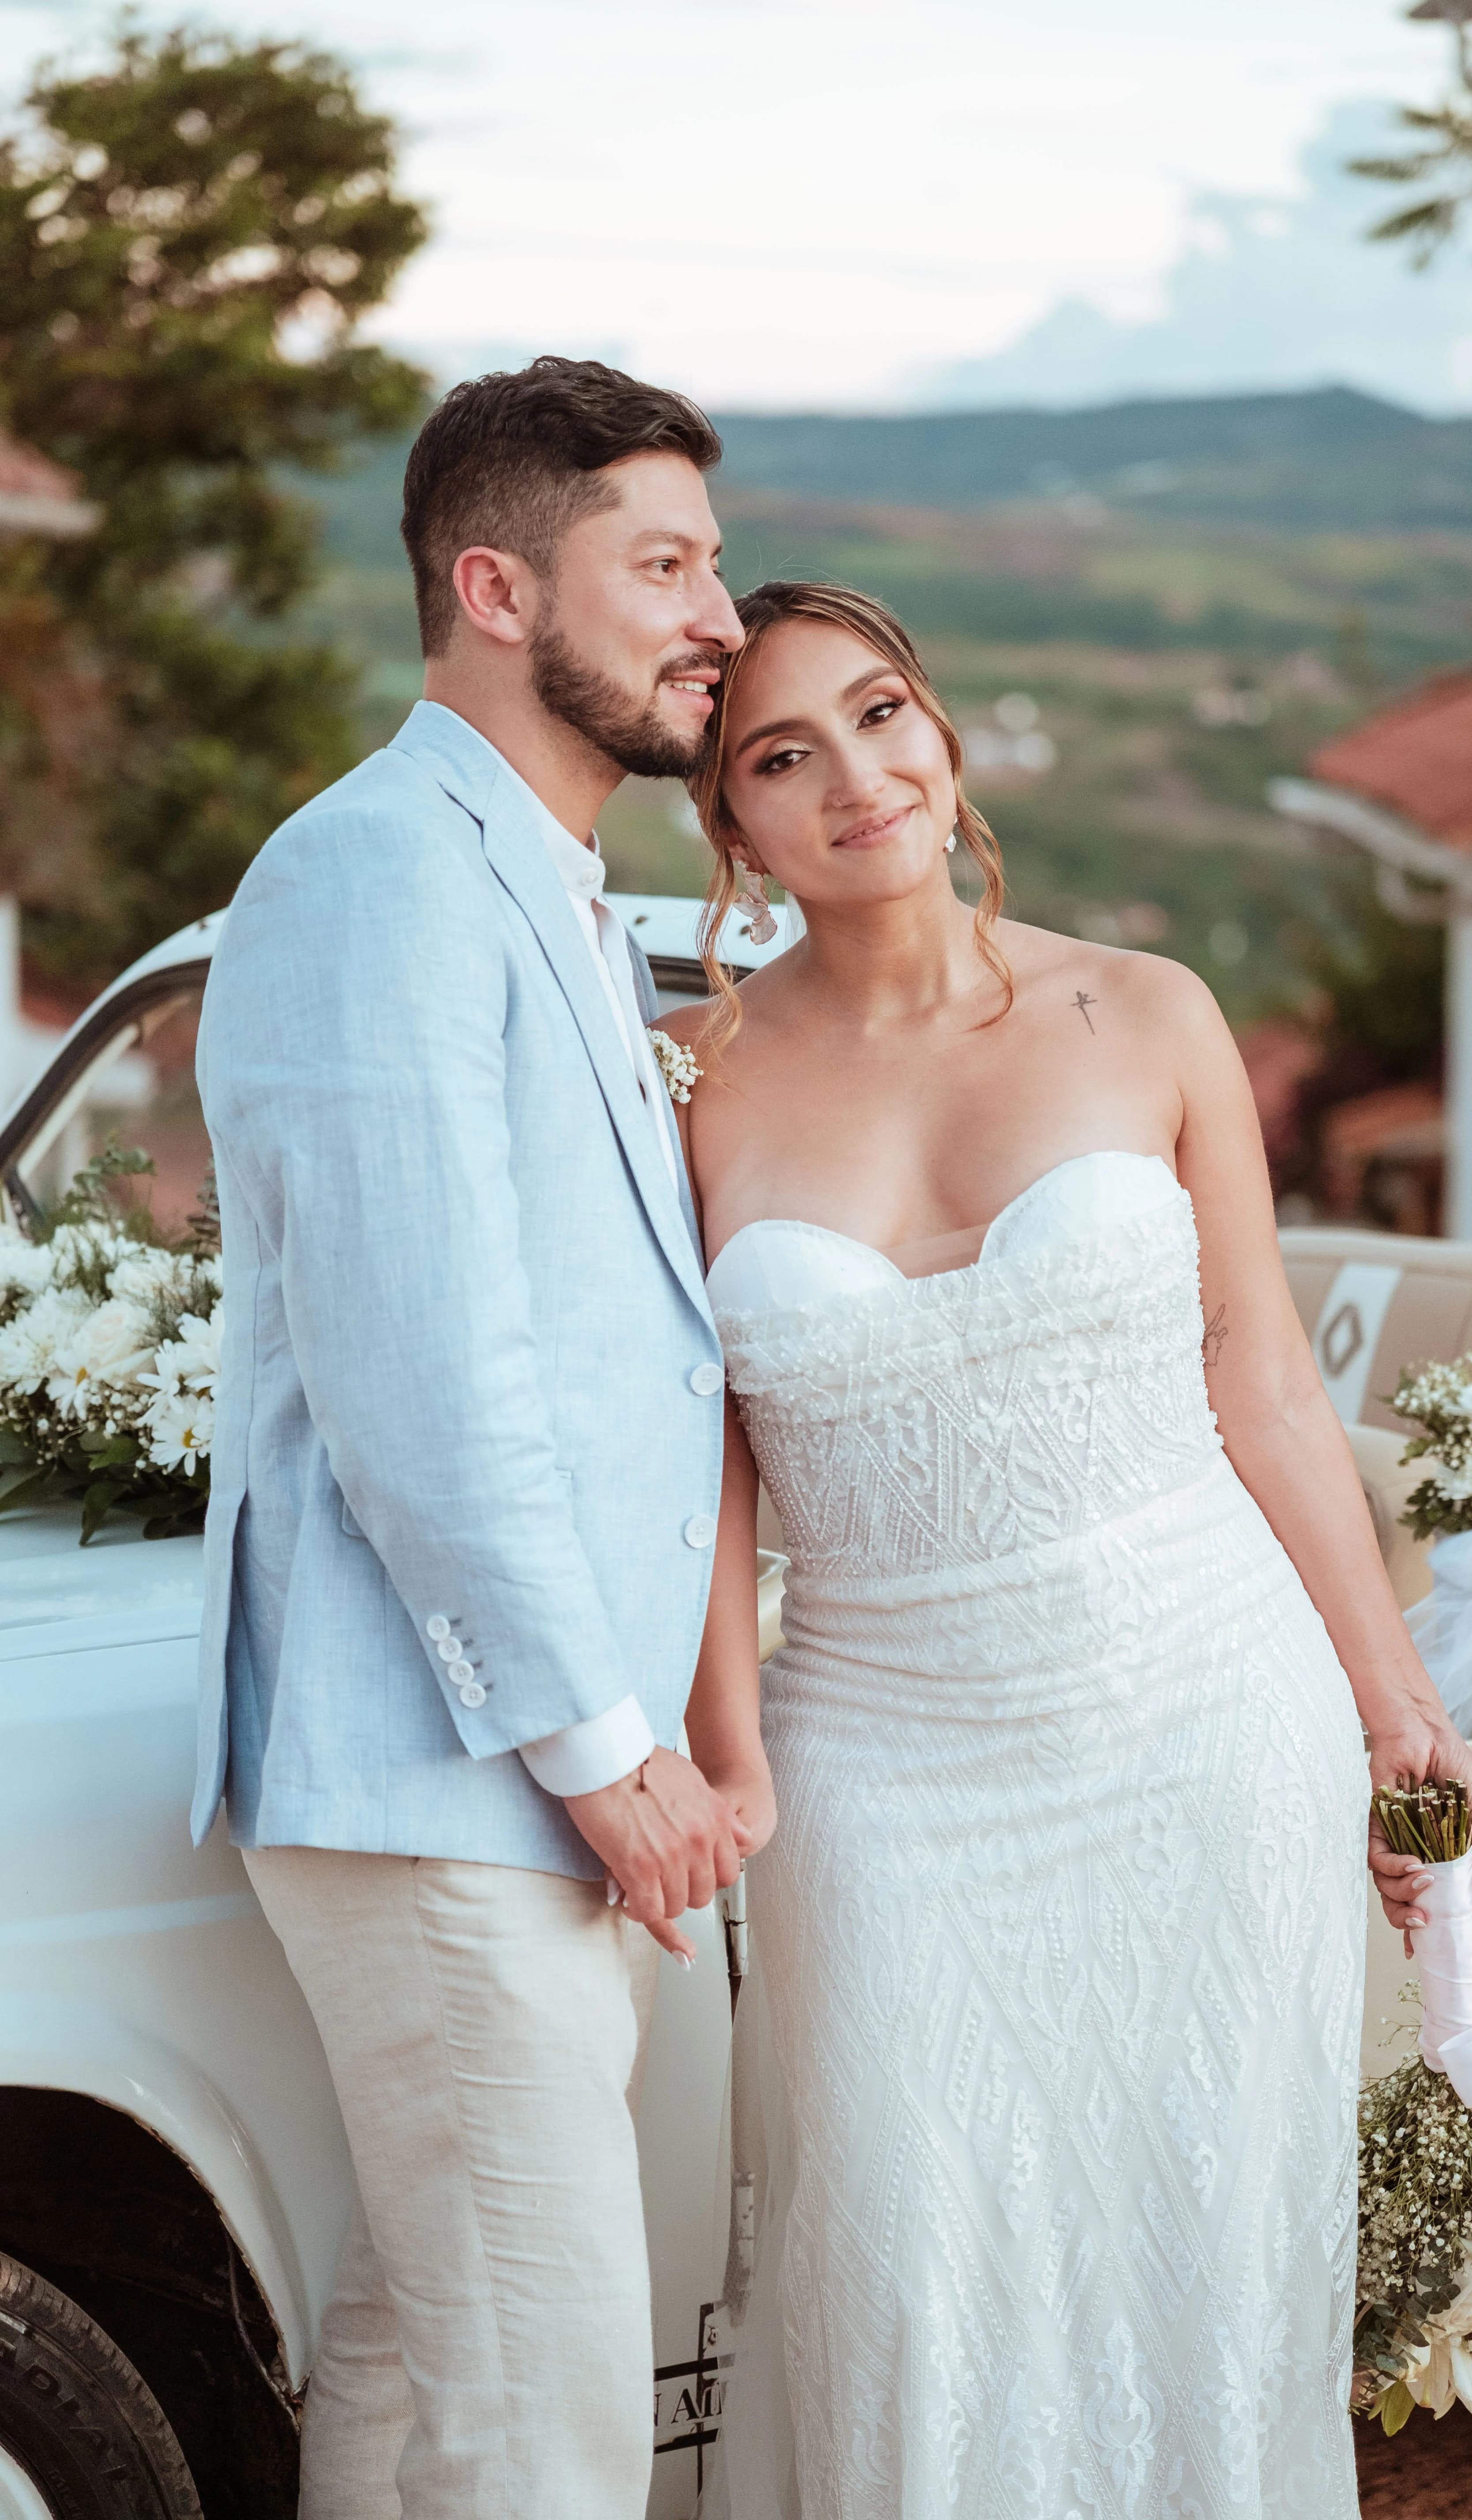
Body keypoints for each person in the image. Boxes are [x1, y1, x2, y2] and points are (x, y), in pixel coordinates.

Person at [663, 580, 1472, 2520]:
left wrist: (1395, 1708)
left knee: (1206, 2278)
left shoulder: (1150, 1011)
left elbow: (1265, 1385)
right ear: (732, 826)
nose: (858, 777)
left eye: (883, 717)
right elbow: (705, 1473)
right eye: (787, 754)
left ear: (943, 737)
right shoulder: (686, 1087)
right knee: (905, 2283)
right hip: (884, 1763)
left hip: (1206, 1721)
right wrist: (736, 1752)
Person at [193, 358, 774, 2520]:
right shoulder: (378, 875)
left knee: (422, 2378)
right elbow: (421, 1373)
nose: (715, 613)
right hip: (448, 1775)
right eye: (665, 565)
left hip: (510, 1788)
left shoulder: (528, 873)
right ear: (496, 588)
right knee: (541, 2432)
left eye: (711, 562)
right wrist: (609, 1757)